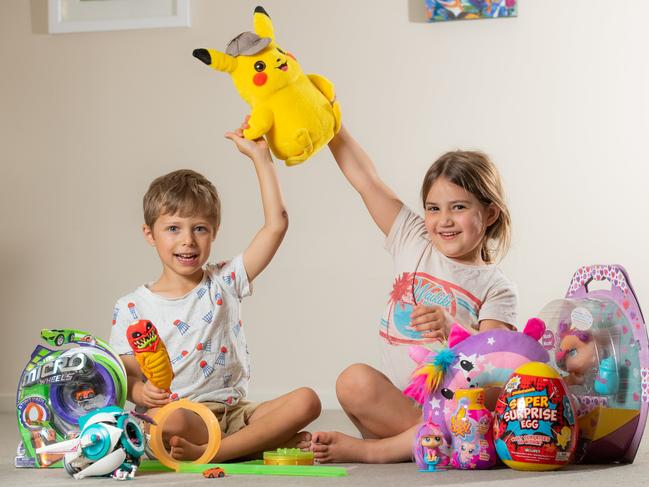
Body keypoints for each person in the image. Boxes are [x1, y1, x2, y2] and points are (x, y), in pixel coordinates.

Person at [109, 127, 321, 462]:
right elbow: (126, 377)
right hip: (184, 416)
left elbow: (276, 224)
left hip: (236, 413)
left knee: (308, 400)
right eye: (173, 228)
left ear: (214, 232)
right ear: (150, 234)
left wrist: (261, 159)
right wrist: (141, 392)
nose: (188, 241)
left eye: (200, 228)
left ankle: (222, 449)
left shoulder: (225, 280)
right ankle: (250, 445)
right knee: (166, 423)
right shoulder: (133, 307)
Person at [311, 126, 518, 463]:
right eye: (433, 208)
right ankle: (416, 440)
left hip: (456, 411)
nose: (444, 221)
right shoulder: (413, 238)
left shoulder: (497, 287)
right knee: (352, 381)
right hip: (399, 404)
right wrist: (330, 124)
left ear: (490, 213)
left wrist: (454, 330)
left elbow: (495, 364)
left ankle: (377, 450)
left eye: (459, 207)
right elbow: (366, 180)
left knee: (475, 410)